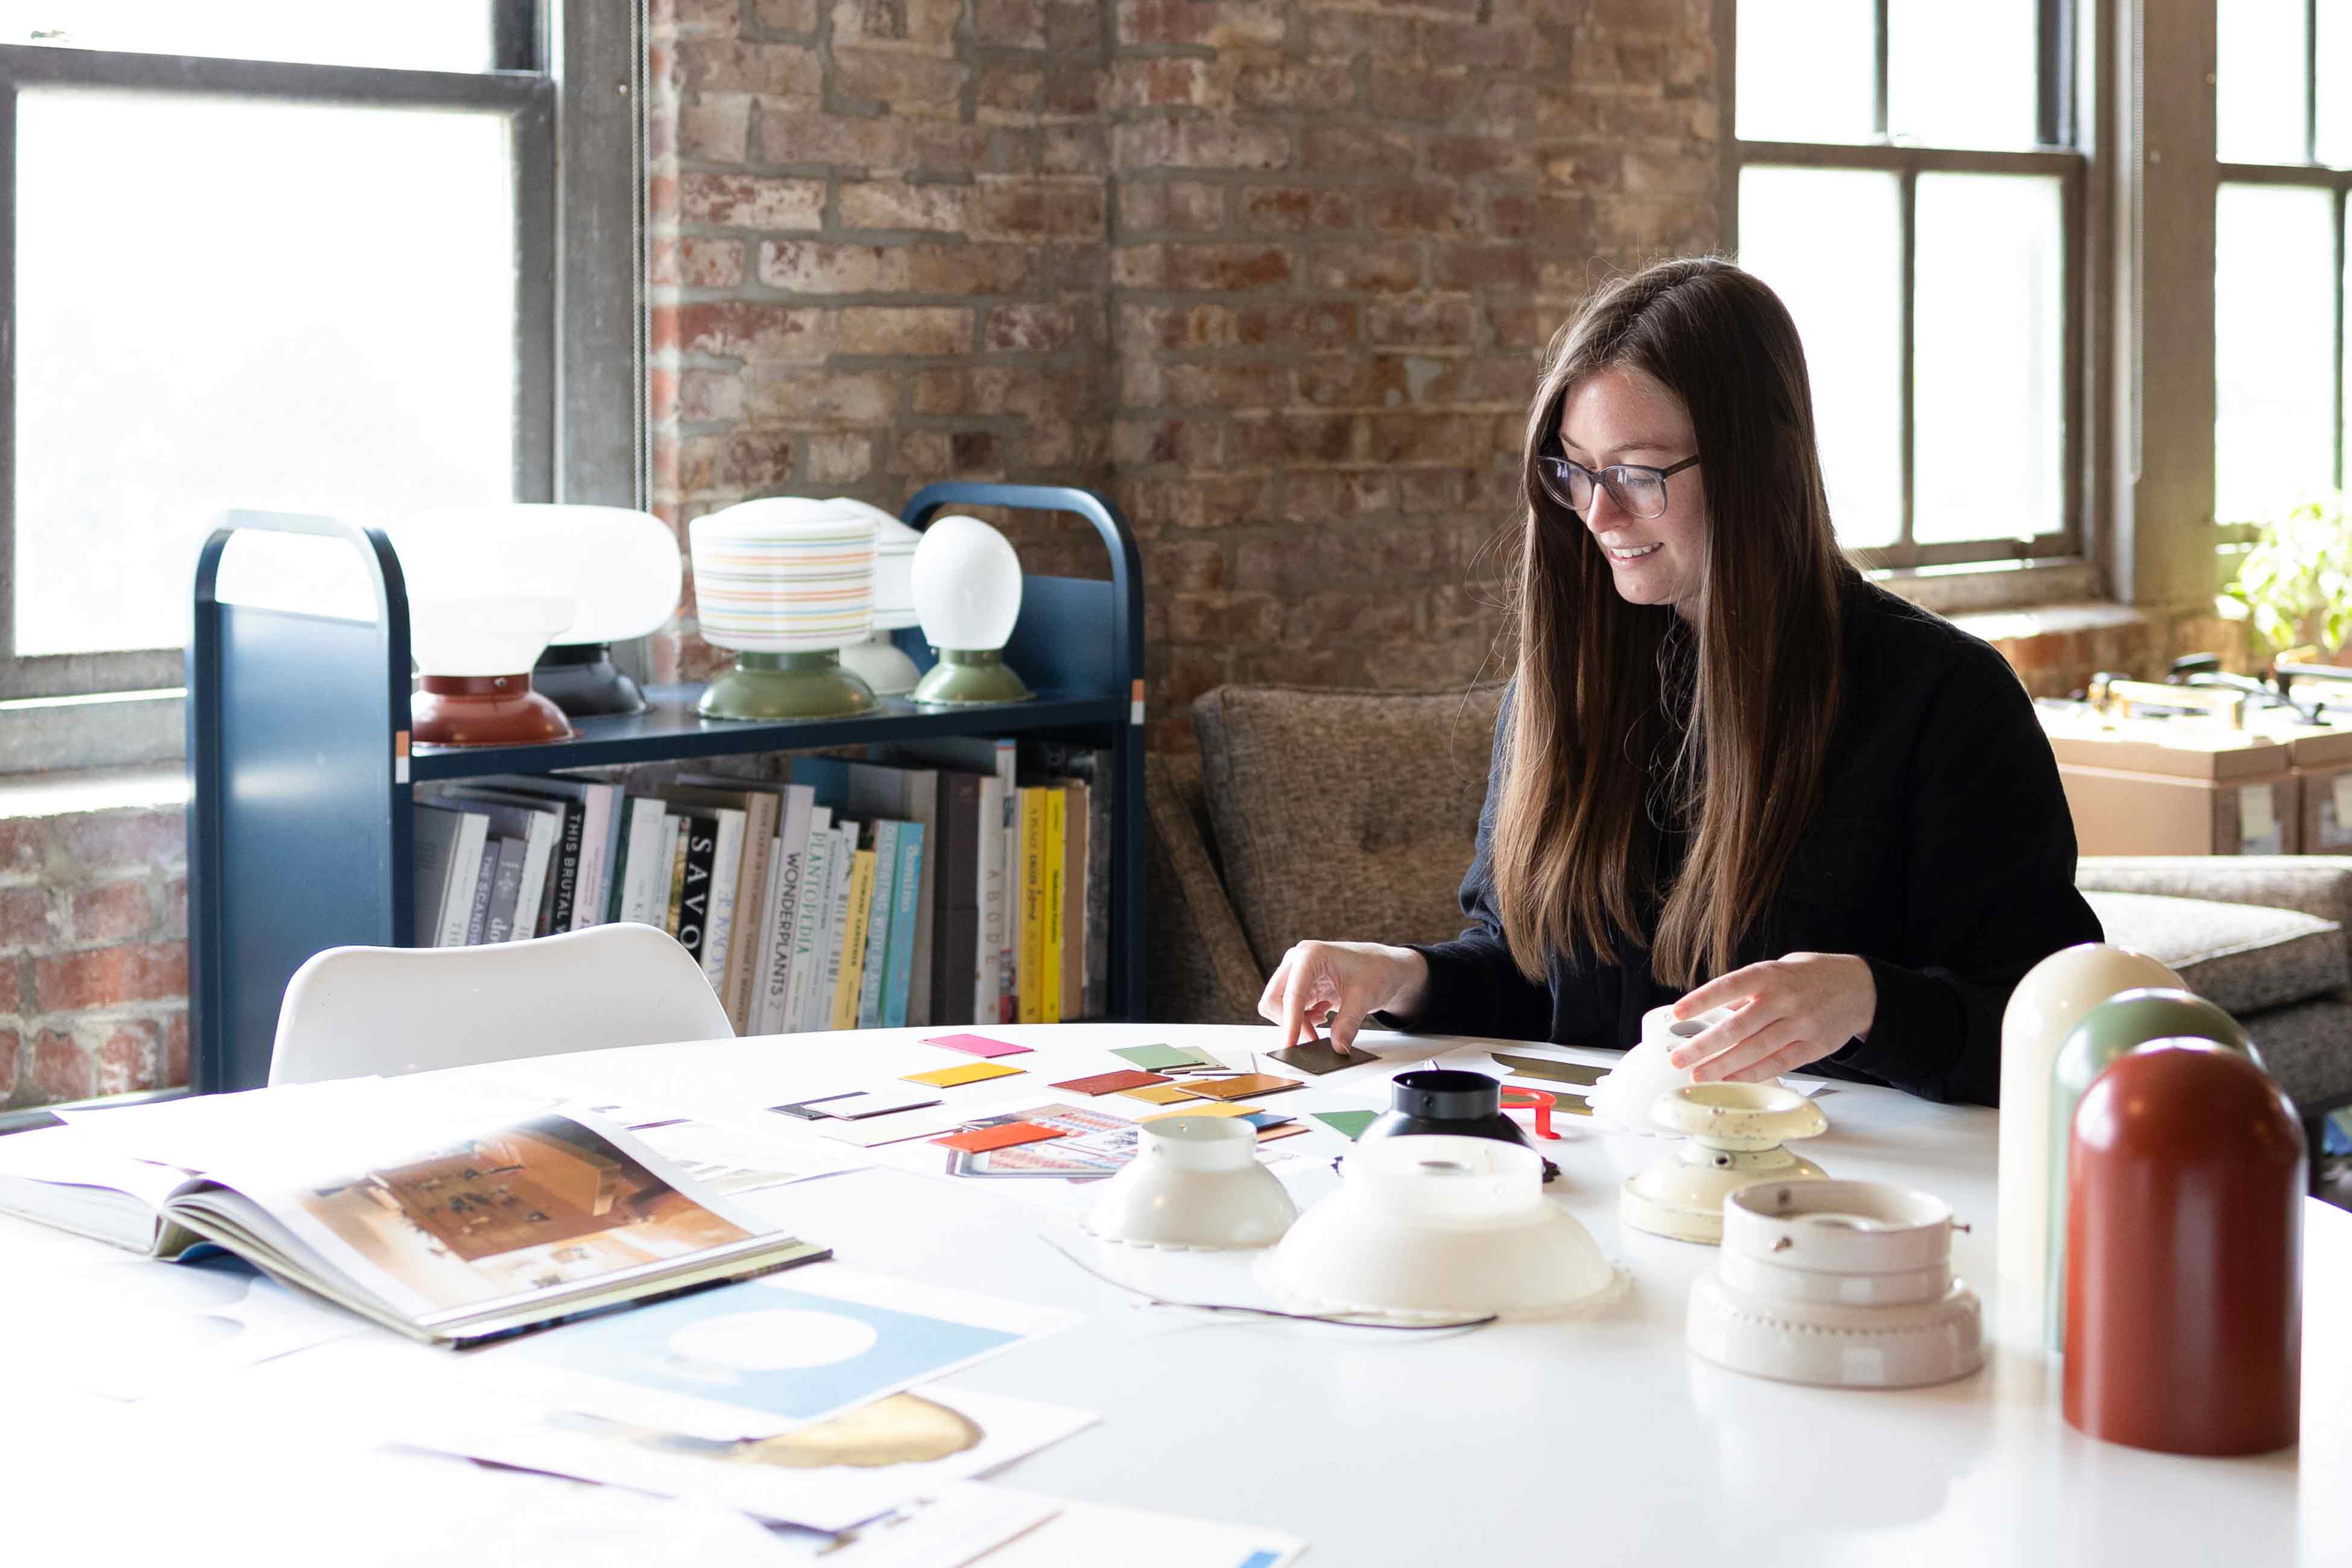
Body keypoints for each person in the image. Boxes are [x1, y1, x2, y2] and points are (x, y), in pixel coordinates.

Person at [1258, 256, 2101, 1106]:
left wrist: (1868, 1001)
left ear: (1761, 461)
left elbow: (2056, 1031)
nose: (1598, 514)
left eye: (1637, 472)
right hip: (1605, 1183)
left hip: (1835, 1208)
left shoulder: (1945, 701)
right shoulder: (1565, 689)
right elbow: (1535, 976)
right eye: (1576, 468)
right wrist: (1400, 975)